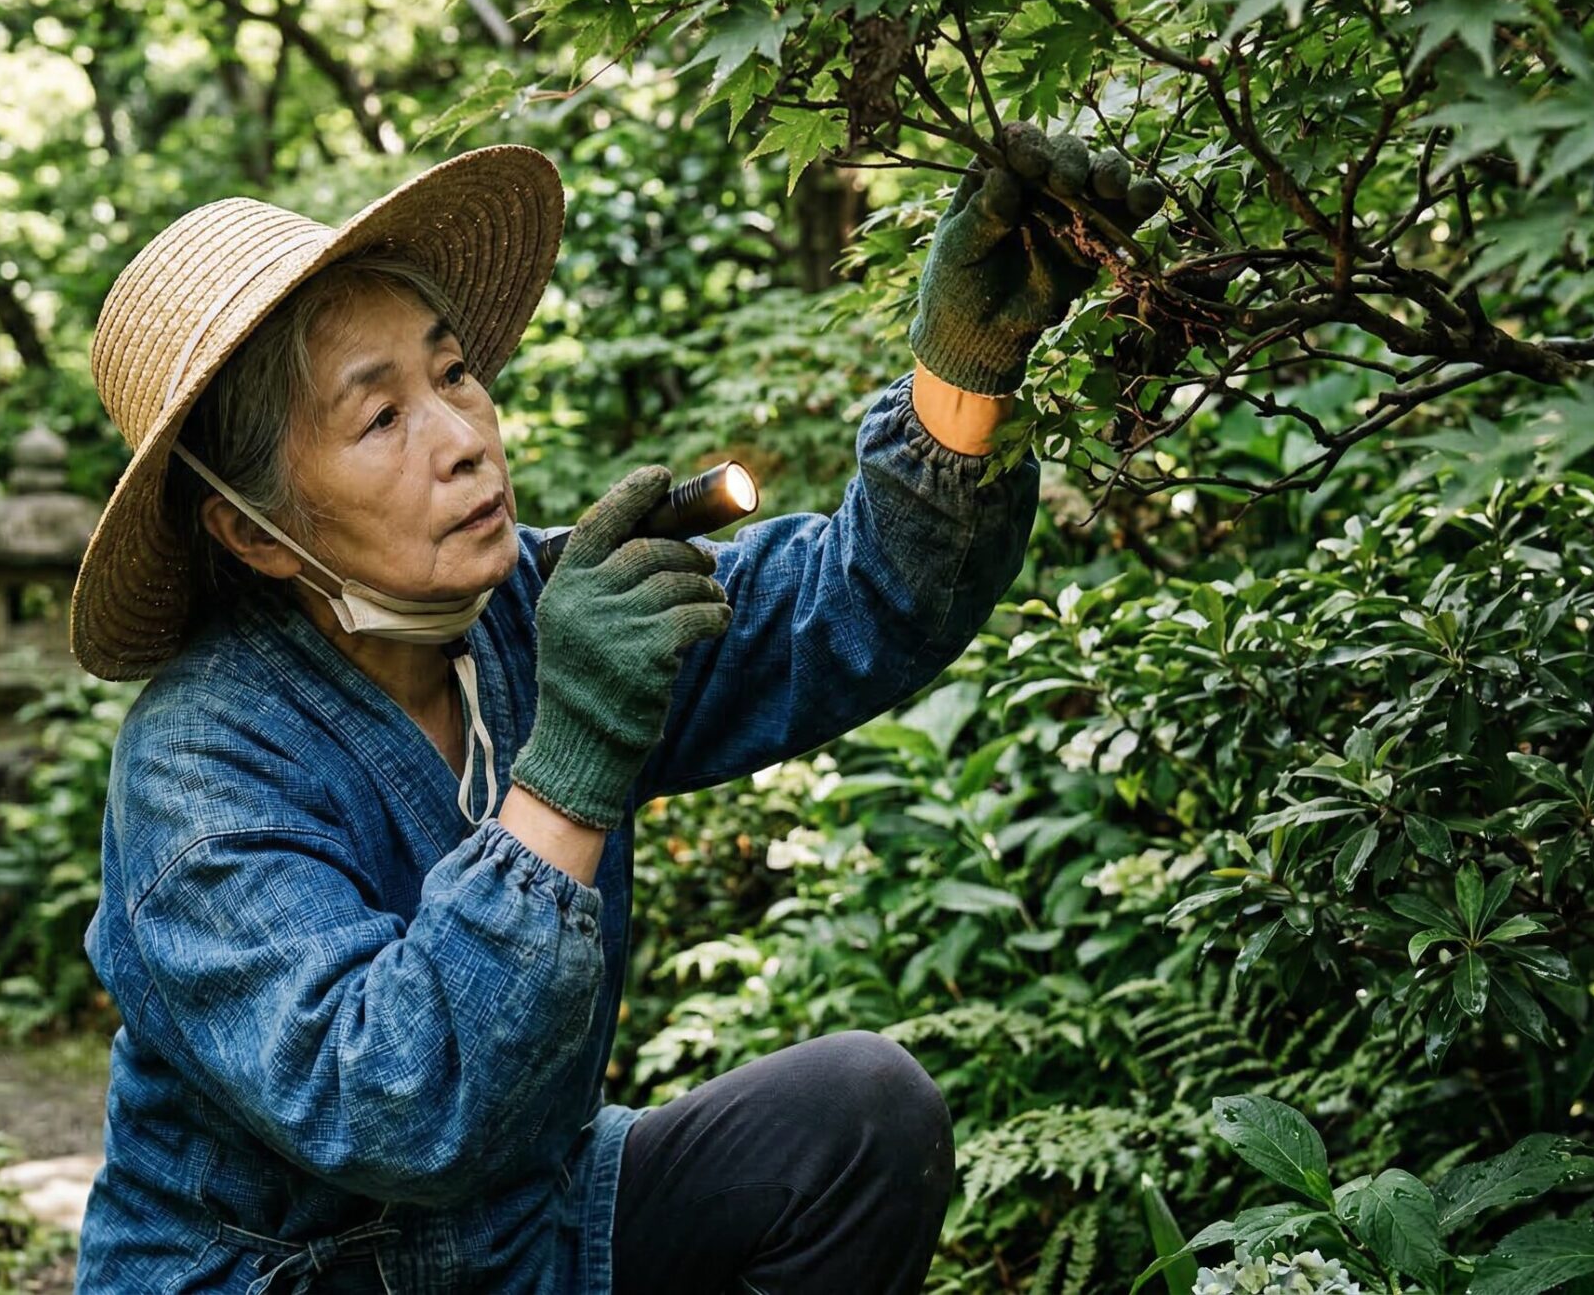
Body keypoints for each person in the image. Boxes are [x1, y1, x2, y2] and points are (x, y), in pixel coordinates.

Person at [66, 125, 1157, 1294]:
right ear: (248, 526)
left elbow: (859, 605)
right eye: (379, 418)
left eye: (452, 375)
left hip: (520, 1238)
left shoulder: (543, 609)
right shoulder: (201, 761)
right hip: (290, 1279)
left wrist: (961, 368)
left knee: (856, 1119)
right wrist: (571, 759)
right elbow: (399, 1104)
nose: (464, 440)